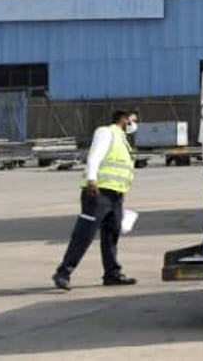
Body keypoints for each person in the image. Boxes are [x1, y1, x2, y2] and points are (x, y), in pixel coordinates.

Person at [53, 109, 139, 290]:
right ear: (124, 119)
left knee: (111, 234)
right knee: (84, 234)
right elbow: (95, 155)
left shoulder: (122, 139)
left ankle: (112, 273)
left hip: (116, 194)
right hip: (98, 192)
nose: (134, 124)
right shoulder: (106, 132)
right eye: (133, 120)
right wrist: (91, 179)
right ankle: (63, 272)